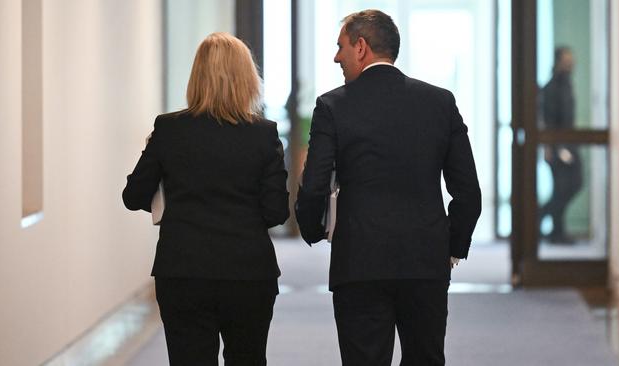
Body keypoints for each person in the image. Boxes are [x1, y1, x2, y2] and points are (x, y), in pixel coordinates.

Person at [295, 10, 481, 366]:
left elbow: (314, 184)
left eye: (341, 47)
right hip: (425, 260)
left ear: (361, 47)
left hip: (359, 260)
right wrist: (452, 246)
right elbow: (468, 191)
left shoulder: (333, 106)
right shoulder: (440, 102)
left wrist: (314, 230)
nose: (336, 57)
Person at [122, 32, 289, 365]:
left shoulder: (168, 130)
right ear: (247, 79)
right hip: (248, 271)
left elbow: (134, 195)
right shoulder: (263, 134)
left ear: (196, 77)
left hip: (183, 269)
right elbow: (276, 211)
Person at [539, 46, 582, 244]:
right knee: (564, 187)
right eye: (567, 59)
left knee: (569, 186)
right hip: (558, 146)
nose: (571, 63)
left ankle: (555, 229)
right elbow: (548, 120)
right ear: (558, 61)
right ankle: (543, 222)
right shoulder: (552, 87)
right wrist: (550, 147)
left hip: (568, 144)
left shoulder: (567, 84)